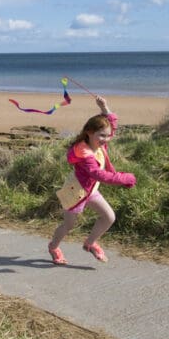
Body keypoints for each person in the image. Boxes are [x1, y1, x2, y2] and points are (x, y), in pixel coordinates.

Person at [48, 96, 136, 265]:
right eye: (101, 135)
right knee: (68, 225)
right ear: (89, 132)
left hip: (91, 190)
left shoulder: (99, 143)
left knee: (109, 217)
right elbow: (99, 175)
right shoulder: (84, 153)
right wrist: (126, 178)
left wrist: (104, 107)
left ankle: (90, 243)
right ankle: (53, 247)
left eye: (108, 136)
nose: (106, 139)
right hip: (75, 191)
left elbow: (111, 123)